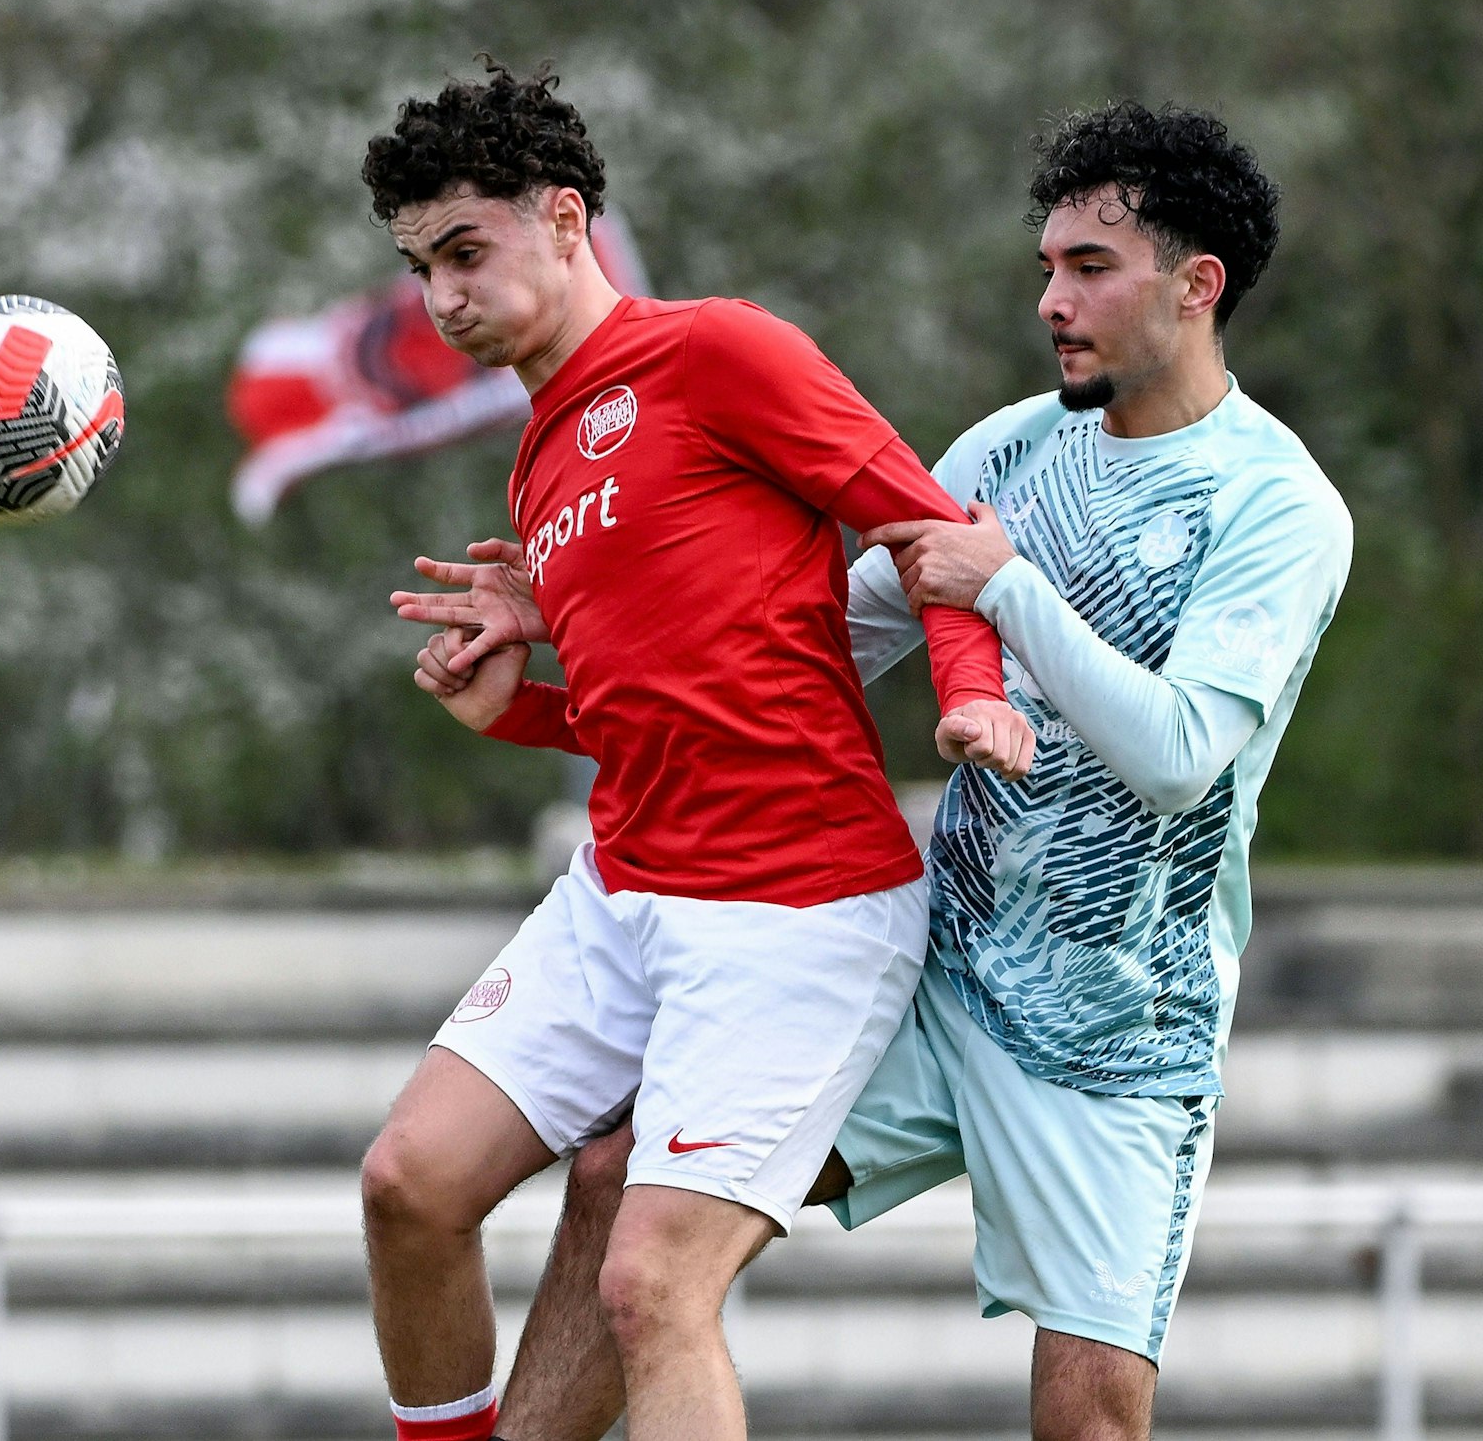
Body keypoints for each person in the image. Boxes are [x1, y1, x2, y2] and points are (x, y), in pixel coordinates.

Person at [421, 101, 1353, 1441]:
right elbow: (796, 660)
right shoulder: (1008, 451)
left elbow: (1178, 760)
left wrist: (1010, 589)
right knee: (623, 1192)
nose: (1052, 300)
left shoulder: (1277, 504)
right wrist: (564, 643)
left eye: (1090, 270)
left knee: (1087, 1418)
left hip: (1117, 1032)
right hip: (940, 970)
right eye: (1045, 267)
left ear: (1196, 286)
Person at [360, 61, 1033, 1441]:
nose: (441, 301)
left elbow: (932, 529)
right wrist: (525, 709)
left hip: (794, 913)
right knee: (409, 1185)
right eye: (421, 268)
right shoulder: (541, 454)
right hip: (627, 886)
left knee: (654, 1286)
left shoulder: (719, 351)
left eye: (464, 252)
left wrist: (975, 698)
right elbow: (667, 706)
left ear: (564, 219)